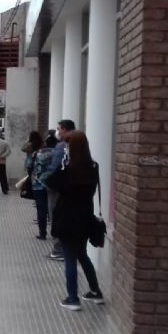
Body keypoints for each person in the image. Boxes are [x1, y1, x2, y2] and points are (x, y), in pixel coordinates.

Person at [46, 131, 103, 311]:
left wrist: (62, 163)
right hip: (85, 216)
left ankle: (72, 298)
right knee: (82, 255)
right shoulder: (93, 166)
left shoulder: (68, 169)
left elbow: (51, 181)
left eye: (68, 145)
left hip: (67, 218)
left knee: (70, 257)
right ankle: (95, 291)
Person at [46, 119, 76, 261]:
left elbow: (55, 168)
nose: (57, 131)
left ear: (64, 129)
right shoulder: (81, 145)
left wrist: (47, 180)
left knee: (55, 215)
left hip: (58, 188)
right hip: (73, 189)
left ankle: (59, 249)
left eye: (59, 128)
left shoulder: (61, 146)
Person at [28, 134, 57, 240]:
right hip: (53, 184)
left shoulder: (36, 153)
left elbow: (28, 165)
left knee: (41, 209)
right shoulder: (57, 153)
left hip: (38, 184)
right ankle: (55, 233)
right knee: (54, 208)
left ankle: (42, 233)